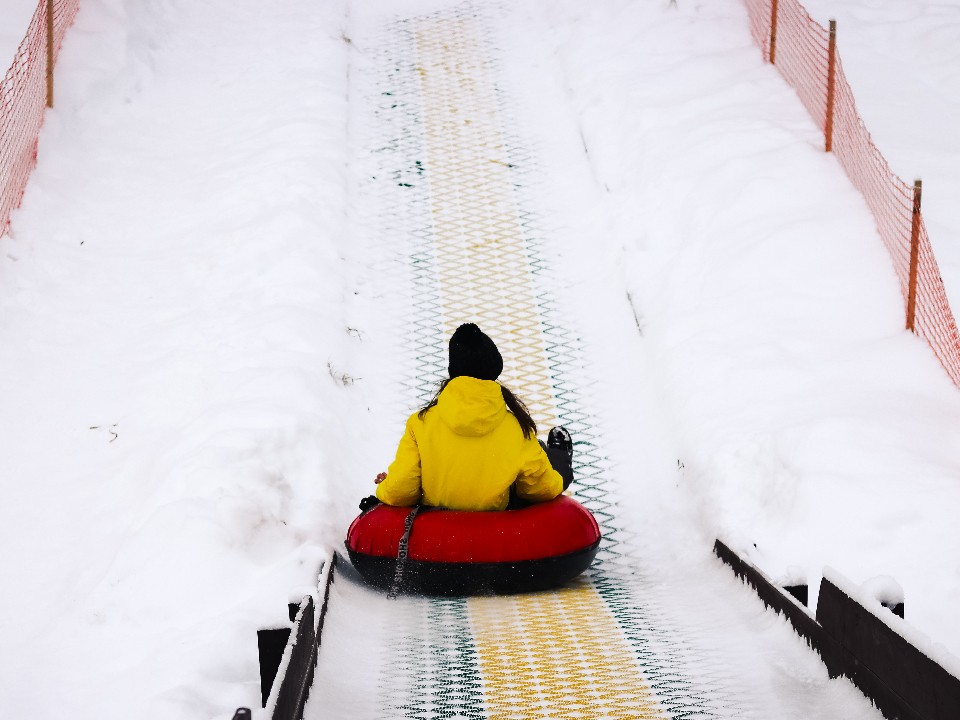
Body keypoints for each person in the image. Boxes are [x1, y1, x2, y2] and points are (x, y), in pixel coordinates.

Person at [373, 323, 574, 512]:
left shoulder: (420, 423)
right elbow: (541, 490)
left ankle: (548, 453)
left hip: (437, 532)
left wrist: (386, 486)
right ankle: (560, 455)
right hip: (496, 531)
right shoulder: (516, 428)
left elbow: (400, 491)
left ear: (453, 371)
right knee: (551, 469)